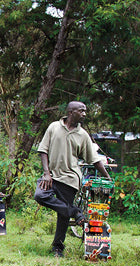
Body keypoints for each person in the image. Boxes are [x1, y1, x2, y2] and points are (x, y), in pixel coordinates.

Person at [34, 101, 111, 257]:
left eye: (85, 111)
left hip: (70, 178)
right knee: (40, 195)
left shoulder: (82, 135)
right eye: (81, 111)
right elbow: (43, 150)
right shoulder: (54, 127)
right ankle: (75, 211)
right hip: (51, 175)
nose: (84, 114)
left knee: (63, 216)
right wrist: (46, 172)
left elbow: (94, 159)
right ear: (70, 112)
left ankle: (58, 248)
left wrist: (107, 177)